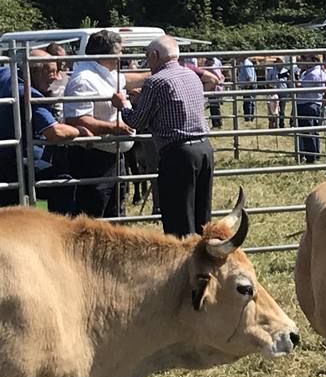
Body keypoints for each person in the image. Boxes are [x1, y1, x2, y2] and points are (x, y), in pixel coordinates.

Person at [113, 36, 213, 236]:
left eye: (147, 56)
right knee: (201, 216)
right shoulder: (191, 76)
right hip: (204, 149)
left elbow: (136, 121)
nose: (146, 62)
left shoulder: (155, 82)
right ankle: (204, 262)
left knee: (178, 220)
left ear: (156, 55)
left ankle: (183, 265)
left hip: (178, 154)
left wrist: (123, 105)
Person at [0, 49, 86, 209]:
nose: (56, 76)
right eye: (51, 71)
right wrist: (79, 131)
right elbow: (55, 132)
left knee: (7, 210)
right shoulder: (28, 94)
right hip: (14, 162)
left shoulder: (6, 75)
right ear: (34, 71)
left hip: (6, 156)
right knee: (62, 183)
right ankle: (56, 228)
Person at [63, 30, 134, 218]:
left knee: (115, 209)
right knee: (93, 211)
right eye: (119, 52)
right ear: (105, 53)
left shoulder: (109, 74)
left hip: (113, 154)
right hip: (94, 156)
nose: (122, 57)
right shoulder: (84, 79)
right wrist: (113, 128)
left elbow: (131, 80)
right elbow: (76, 119)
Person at [296, 55, 326, 164]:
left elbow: (301, 87)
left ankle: (311, 157)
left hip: (307, 104)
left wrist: (295, 82)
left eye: (307, 60)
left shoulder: (313, 74)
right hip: (313, 103)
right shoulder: (317, 72)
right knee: (313, 131)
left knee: (307, 131)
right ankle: (315, 154)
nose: (305, 62)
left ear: (314, 61)